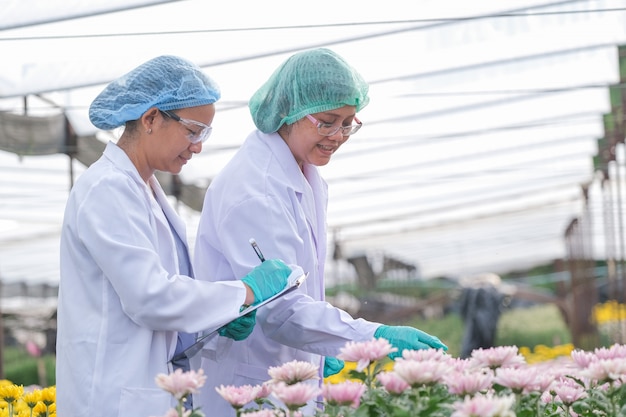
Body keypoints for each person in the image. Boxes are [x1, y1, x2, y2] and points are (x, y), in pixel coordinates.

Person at [193, 48, 448, 415]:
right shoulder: (255, 189)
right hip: (250, 387)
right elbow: (282, 312)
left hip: (288, 379)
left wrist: (321, 348)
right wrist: (370, 338)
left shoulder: (304, 175)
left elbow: (300, 291)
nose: (338, 135)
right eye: (327, 121)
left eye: (348, 123)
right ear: (289, 112)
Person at [56, 55, 300, 417]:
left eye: (205, 134)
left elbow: (167, 296)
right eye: (192, 130)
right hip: (110, 398)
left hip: (148, 393)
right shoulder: (106, 189)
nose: (198, 146)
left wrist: (221, 318)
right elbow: (150, 297)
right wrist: (244, 292)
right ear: (151, 118)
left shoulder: (146, 189)